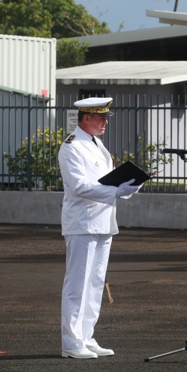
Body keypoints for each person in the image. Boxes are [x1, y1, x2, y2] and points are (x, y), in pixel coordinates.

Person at [59, 97, 143, 359]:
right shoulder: (71, 147)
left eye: (106, 117)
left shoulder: (99, 146)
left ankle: (86, 335)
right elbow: (80, 186)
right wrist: (117, 190)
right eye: (101, 117)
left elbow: (108, 182)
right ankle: (71, 342)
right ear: (86, 118)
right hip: (82, 222)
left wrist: (128, 186)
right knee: (77, 284)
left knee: (95, 283)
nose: (106, 122)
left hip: (104, 221)